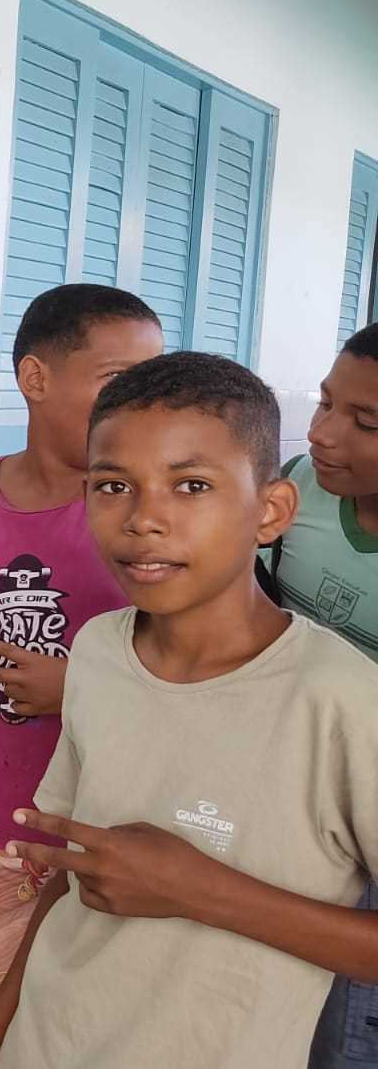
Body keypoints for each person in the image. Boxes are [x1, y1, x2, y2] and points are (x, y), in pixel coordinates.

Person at [0, 352, 378, 1069]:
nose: (145, 518)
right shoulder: (96, 652)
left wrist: (200, 890)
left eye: (192, 485)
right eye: (113, 485)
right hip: (47, 1042)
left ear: (270, 511)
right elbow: (69, 872)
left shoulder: (341, 700)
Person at [0, 284, 163, 1022]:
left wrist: (81, 686)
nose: (141, 403)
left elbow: (209, 674)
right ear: (35, 378)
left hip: (117, 830)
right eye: (118, 381)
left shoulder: (151, 511)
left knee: (96, 1035)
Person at [263, 323, 378, 1068]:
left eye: (364, 421)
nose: (323, 432)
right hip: (279, 777)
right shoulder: (294, 487)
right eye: (326, 401)